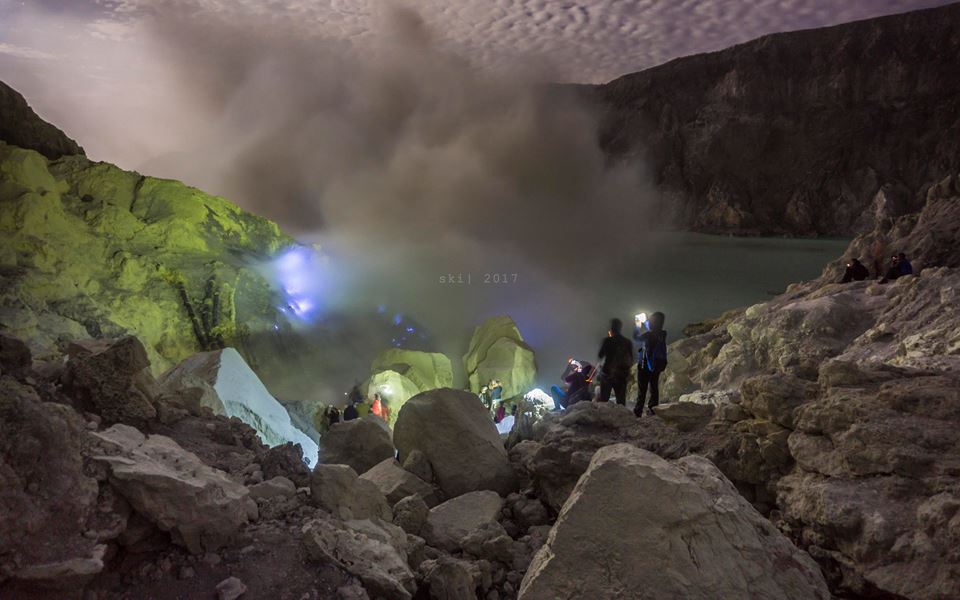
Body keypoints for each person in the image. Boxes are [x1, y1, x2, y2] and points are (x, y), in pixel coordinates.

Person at [633, 311, 668, 417]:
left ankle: (638, 411)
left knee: (642, 390)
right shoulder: (662, 334)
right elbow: (652, 329)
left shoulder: (648, 335)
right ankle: (653, 409)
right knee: (654, 387)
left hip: (645, 365)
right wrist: (646, 321)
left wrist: (637, 324)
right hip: (656, 364)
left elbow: (636, 337)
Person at [597, 318, 634, 404]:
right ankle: (622, 416)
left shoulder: (607, 341)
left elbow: (600, 355)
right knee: (621, 401)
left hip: (607, 373)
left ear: (612, 328)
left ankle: (603, 416)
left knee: (604, 400)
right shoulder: (627, 342)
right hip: (622, 374)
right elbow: (631, 359)